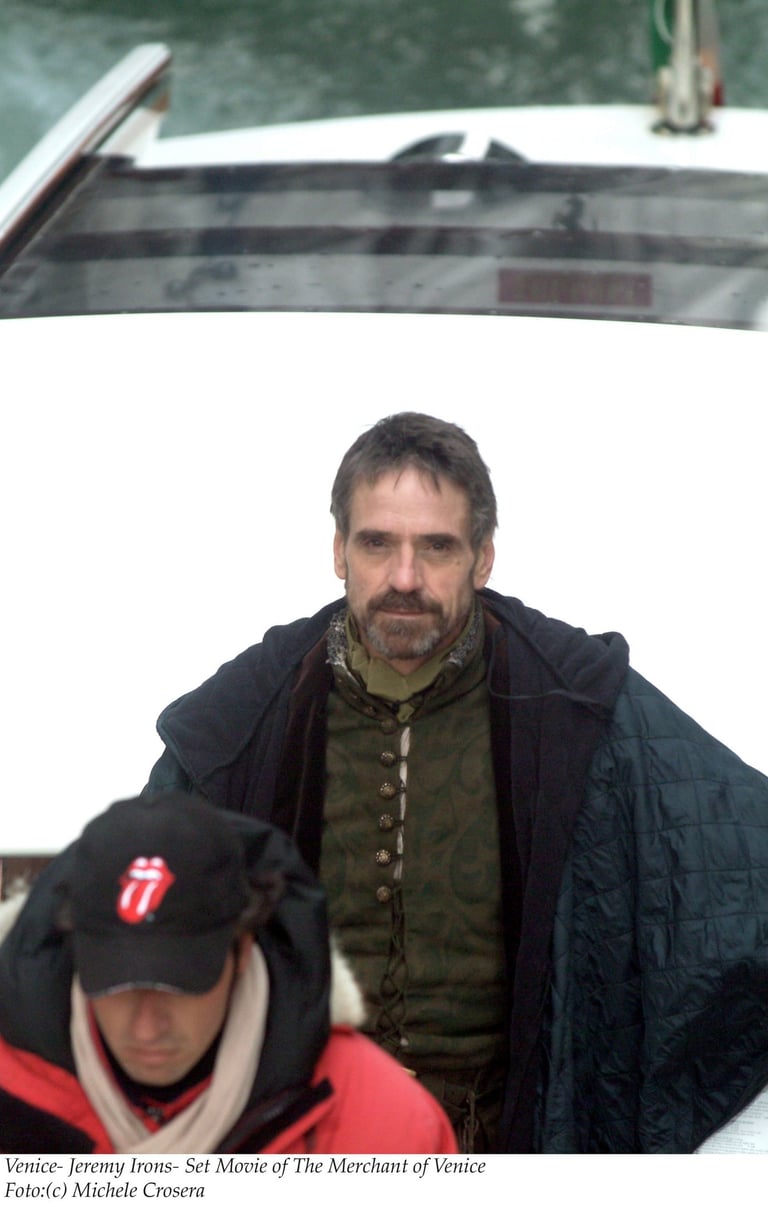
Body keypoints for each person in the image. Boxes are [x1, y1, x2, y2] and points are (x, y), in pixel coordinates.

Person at [146, 411, 768, 1154]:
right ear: (339, 551)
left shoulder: (572, 703)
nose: (404, 578)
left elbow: (732, 842)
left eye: (436, 546)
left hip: (499, 1148)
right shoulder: (247, 719)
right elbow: (131, 918)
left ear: (483, 558)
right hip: (300, 1146)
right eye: (377, 543)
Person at [0, 790, 457, 1154]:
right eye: (114, 983)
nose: (146, 1027)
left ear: (242, 950)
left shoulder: (388, 1126)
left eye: (182, 984)